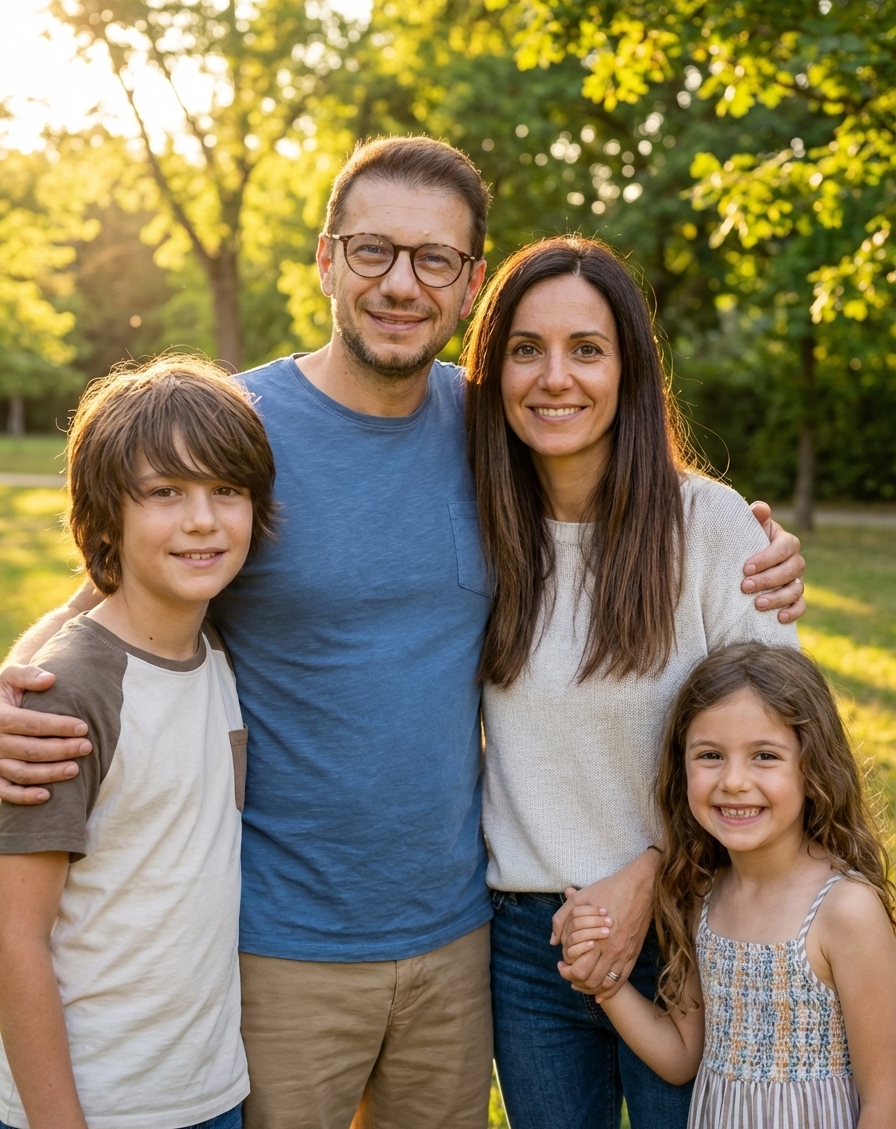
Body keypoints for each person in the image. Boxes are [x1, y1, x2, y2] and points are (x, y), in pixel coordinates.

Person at [0, 139, 806, 1129]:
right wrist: (12, 681)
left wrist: (755, 542)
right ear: (325, 258)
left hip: (458, 937)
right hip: (281, 939)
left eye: (433, 259)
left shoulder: (494, 435)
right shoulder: (237, 430)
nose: (399, 282)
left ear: (470, 282)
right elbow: (114, 585)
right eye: (372, 250)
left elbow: (626, 504)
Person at [463, 235, 805, 1128]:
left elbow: (783, 742)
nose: (555, 377)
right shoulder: (476, 529)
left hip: (694, 927)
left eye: (587, 348)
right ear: (493, 370)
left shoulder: (713, 525)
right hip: (529, 946)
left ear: (629, 370)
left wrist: (651, 871)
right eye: (526, 349)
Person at [0, 357, 277, 1129]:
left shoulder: (216, 652)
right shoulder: (73, 692)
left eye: (227, 489)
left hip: (209, 1092)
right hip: (94, 1105)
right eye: (165, 492)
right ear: (105, 516)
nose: (202, 519)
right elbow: (12, 936)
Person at [565, 644, 896, 1128]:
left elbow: (885, 1099)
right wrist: (604, 982)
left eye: (765, 755)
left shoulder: (846, 910)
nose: (734, 781)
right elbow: (682, 1056)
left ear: (813, 767)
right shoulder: (700, 896)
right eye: (710, 755)